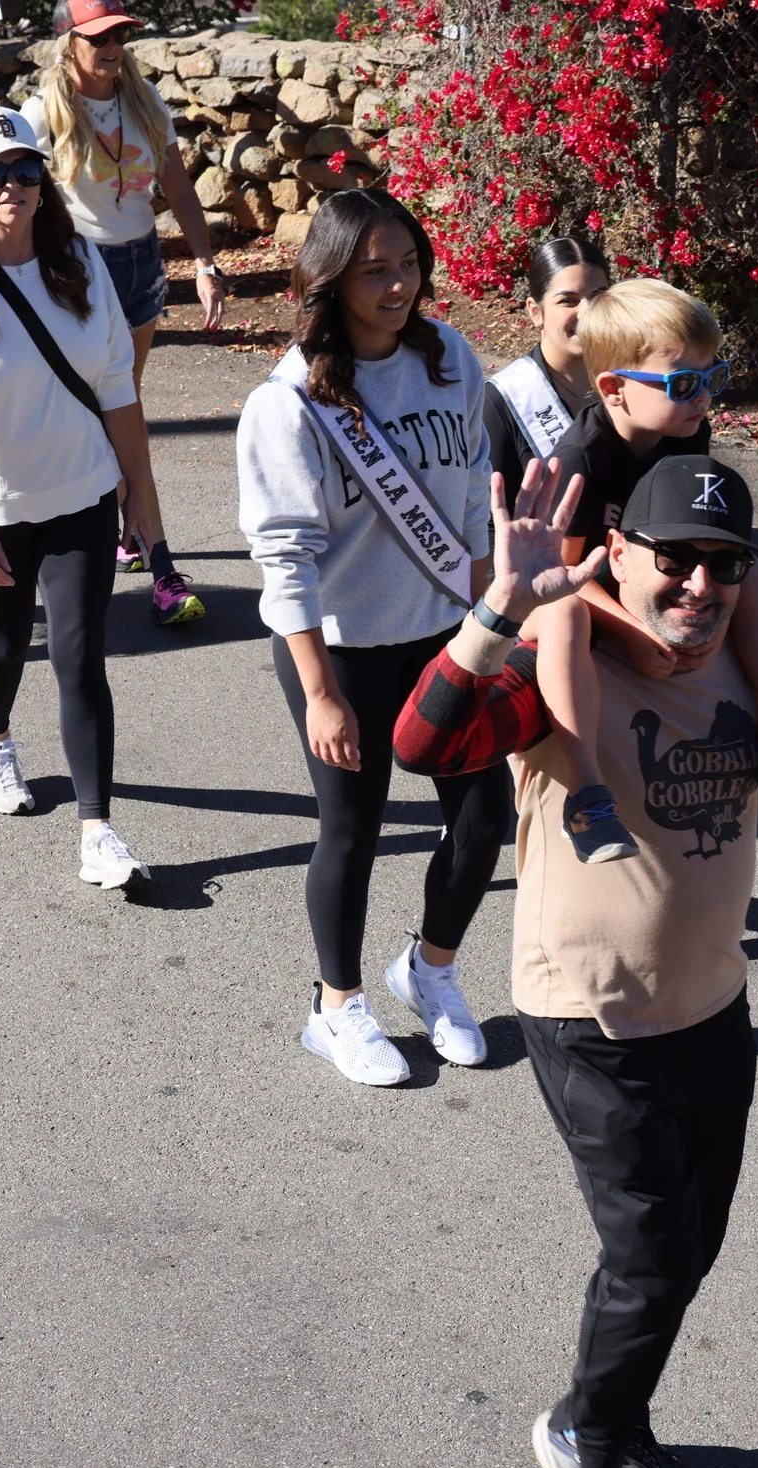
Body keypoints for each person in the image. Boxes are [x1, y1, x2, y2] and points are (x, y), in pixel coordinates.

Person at [395, 452, 758, 1468]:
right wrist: (502, 605)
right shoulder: (561, 663)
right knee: (646, 1253)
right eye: (674, 561)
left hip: (711, 1002)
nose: (697, 586)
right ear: (621, 555)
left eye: (722, 565)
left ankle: (622, 1419)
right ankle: (581, 1434)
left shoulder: (736, 648)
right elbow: (421, 742)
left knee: (690, 1249)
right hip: (590, 1016)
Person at [236, 187, 508, 1088]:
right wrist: (318, 691)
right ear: (332, 279)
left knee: (482, 819)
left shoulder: (449, 358)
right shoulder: (287, 405)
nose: (397, 285)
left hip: (444, 637)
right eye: (373, 271)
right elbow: (286, 559)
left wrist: (487, 607)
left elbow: (474, 486)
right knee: (350, 829)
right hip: (342, 649)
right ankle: (337, 1006)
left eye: (408, 264)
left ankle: (429, 969)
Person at [0, 107, 161, 891]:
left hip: (81, 490)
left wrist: (142, 502)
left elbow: (117, 384)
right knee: (6, 645)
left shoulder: (78, 260)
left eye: (24, 171)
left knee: (81, 658)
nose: (11, 186)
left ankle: (98, 830)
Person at [530, 277, 758, 865]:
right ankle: (588, 795)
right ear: (614, 389)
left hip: (646, 582)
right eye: (683, 384)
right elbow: (555, 575)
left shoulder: (687, 430)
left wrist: (714, 619)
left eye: (712, 379)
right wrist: (633, 632)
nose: (703, 398)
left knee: (743, 570)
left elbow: (703, 542)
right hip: (579, 598)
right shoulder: (579, 461)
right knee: (566, 612)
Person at [22, 0, 227, 622]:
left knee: (122, 406)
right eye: (98, 35)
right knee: (116, 416)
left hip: (139, 267)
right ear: (69, 43)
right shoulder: (43, 113)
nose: (112, 45)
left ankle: (125, 532)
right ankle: (156, 560)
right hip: (81, 272)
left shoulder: (143, 101)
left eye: (120, 34)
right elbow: (8, 193)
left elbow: (180, 187)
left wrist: (206, 263)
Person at [484, 234, 610, 505]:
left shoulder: (631, 383)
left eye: (598, 296)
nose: (586, 312)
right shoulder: (501, 401)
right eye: (569, 300)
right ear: (535, 311)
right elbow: (488, 519)